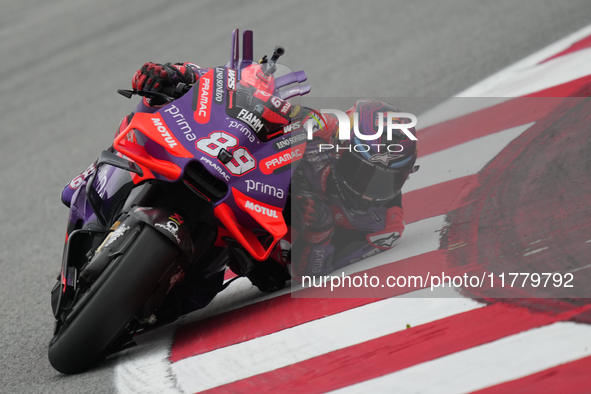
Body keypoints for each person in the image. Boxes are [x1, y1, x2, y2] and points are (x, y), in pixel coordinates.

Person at [126, 62, 418, 291]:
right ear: (340, 148)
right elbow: (241, 89)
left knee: (194, 292)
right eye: (362, 173)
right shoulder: (327, 126)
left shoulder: (383, 225)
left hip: (261, 250)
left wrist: (318, 233)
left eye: (385, 182)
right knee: (140, 148)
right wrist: (179, 73)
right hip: (238, 176)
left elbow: (312, 274)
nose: (368, 193)